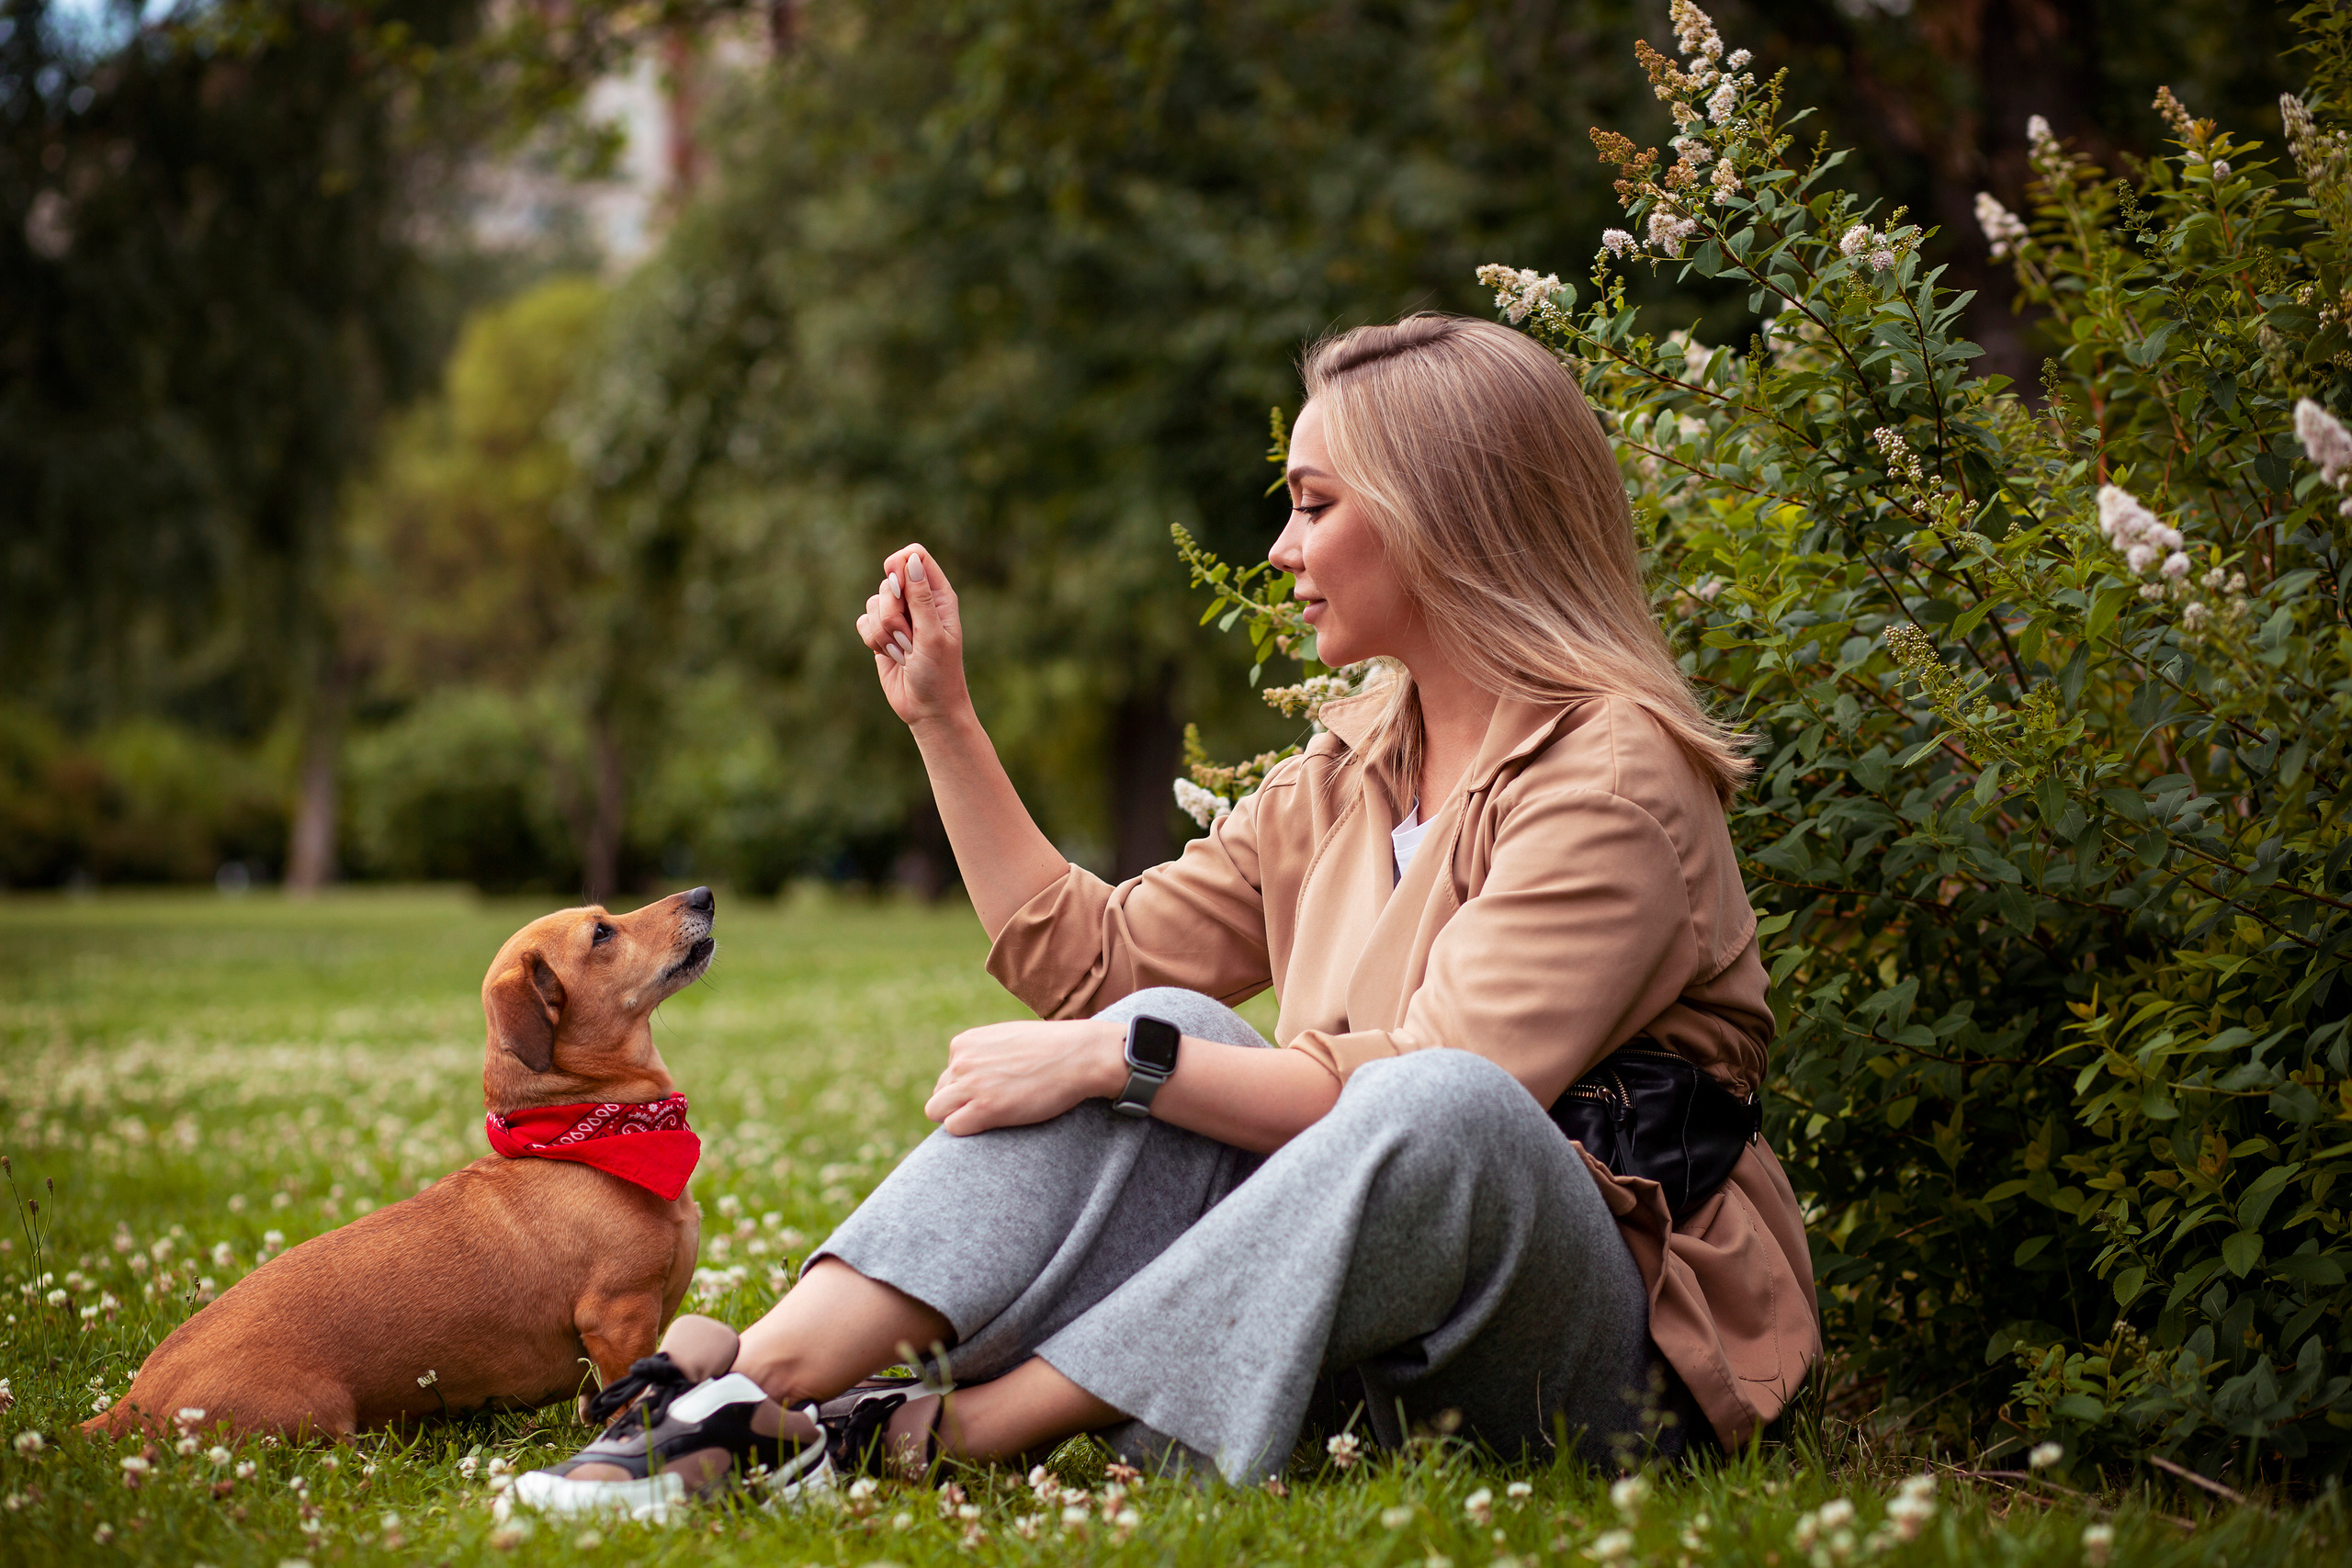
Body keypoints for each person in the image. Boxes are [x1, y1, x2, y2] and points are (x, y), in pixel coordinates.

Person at [517, 314, 1819, 1514]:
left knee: (1426, 1104)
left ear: (1442, 519)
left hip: (1605, 1378)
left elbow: (1425, 1091)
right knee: (1170, 1018)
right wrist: (944, 721)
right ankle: (734, 1393)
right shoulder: (1355, 768)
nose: (1282, 550)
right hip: (1361, 1340)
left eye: (1313, 507)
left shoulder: (1614, 780)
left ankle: (931, 1436)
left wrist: (1117, 1060)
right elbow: (1095, 964)